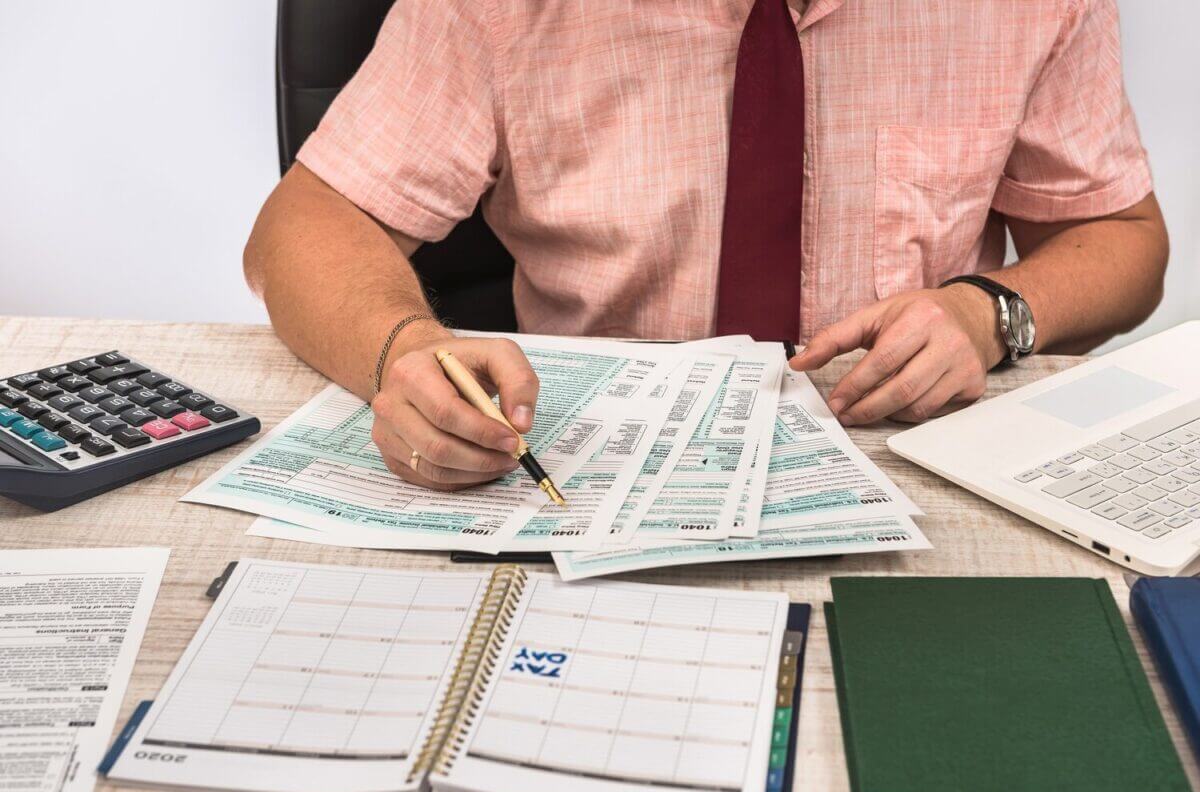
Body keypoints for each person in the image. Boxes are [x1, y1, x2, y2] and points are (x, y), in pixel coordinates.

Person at [244, 0, 1168, 492]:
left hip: (906, 459)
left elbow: (1122, 243)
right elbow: (306, 225)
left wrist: (988, 312)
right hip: (577, 465)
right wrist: (403, 350)